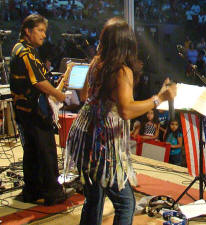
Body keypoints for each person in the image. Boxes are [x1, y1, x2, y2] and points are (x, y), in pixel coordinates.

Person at [64, 17, 176, 225]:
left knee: (94, 199)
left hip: (84, 135)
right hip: (101, 146)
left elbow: (85, 95)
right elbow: (125, 110)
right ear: (127, 43)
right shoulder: (122, 71)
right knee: (126, 204)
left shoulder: (96, 62)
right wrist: (159, 98)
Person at [9, 14, 73, 205]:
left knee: (32, 151)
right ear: (28, 31)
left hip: (23, 110)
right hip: (33, 111)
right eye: (40, 30)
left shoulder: (20, 48)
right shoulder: (26, 53)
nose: (44, 35)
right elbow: (39, 82)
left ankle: (32, 190)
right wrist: (61, 96)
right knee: (46, 151)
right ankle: (53, 193)